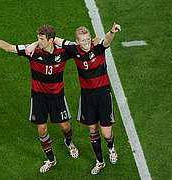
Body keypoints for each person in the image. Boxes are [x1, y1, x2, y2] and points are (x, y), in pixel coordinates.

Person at [26, 23, 121, 175]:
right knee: (92, 129)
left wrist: (112, 32)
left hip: (103, 95)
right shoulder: (73, 49)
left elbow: (106, 41)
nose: (87, 42)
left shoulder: (98, 48)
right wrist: (34, 44)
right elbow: (53, 39)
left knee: (106, 133)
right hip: (87, 96)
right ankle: (99, 162)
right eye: (83, 40)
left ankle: (111, 148)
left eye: (88, 39)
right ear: (77, 42)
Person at [0, 24, 79, 173]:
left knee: (65, 127)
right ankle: (51, 159)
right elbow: (9, 47)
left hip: (57, 97)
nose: (38, 41)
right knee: (42, 129)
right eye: (38, 38)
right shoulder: (32, 51)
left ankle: (69, 142)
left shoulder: (64, 51)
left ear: (51, 40)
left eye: (41, 39)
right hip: (39, 98)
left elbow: (80, 46)